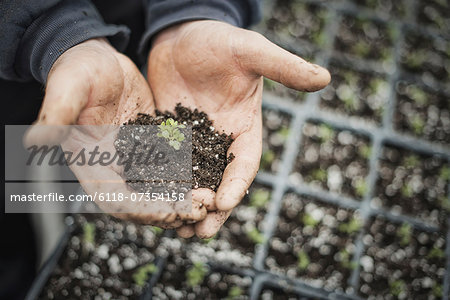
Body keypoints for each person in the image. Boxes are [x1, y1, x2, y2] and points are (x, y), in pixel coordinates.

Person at [0, 0, 330, 298]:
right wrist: (48, 27)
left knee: (85, 136)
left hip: (124, 20)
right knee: (12, 189)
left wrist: (195, 10)